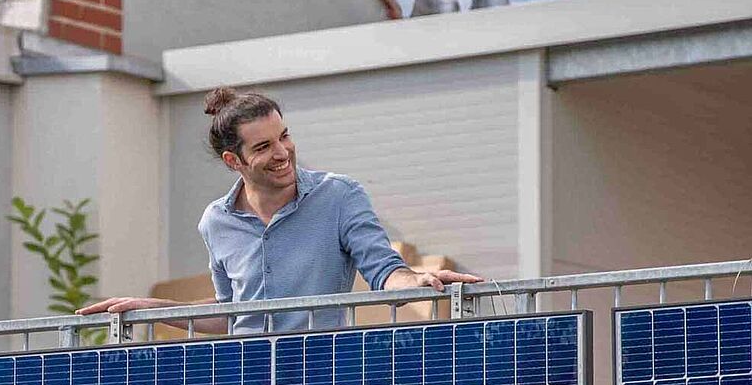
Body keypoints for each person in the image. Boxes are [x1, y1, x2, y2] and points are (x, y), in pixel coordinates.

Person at [78, 86, 481, 333]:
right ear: (232, 161)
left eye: (283, 136)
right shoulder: (216, 222)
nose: (282, 153)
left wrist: (415, 281)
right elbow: (230, 314)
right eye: (263, 146)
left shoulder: (339, 196)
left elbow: (383, 270)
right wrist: (149, 309)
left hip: (325, 381)